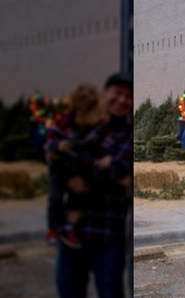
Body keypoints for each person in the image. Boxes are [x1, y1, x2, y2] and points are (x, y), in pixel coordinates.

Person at [54, 72, 134, 298]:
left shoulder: (128, 133)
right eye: (117, 93)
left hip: (109, 233)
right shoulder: (82, 124)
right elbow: (58, 154)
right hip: (73, 231)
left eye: (128, 96)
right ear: (104, 93)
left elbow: (117, 168)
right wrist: (69, 173)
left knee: (110, 291)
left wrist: (78, 168)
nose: (121, 100)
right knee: (69, 289)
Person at [44, 82, 107, 249]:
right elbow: (50, 142)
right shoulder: (64, 122)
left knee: (79, 196)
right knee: (55, 198)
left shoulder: (94, 128)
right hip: (59, 167)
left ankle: (69, 228)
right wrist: (58, 146)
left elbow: (97, 150)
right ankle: (53, 229)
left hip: (79, 167)